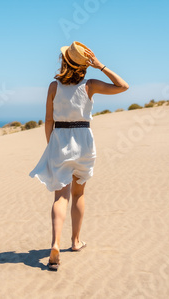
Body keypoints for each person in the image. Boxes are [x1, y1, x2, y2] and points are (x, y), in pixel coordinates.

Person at [28, 41, 129, 271]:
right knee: (78, 192)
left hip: (60, 140)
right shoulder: (90, 85)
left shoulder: (54, 87)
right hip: (84, 141)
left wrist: (51, 145)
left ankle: (55, 243)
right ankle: (75, 242)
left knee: (60, 196)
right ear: (84, 64)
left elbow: (48, 120)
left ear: (64, 62)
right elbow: (123, 86)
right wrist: (100, 65)